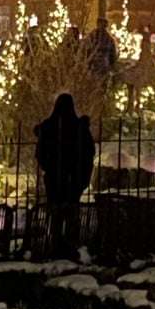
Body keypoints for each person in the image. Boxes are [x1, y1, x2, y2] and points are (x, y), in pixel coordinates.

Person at [34, 91, 96, 257]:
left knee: (56, 212)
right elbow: (89, 153)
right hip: (73, 177)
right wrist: (82, 175)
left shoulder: (49, 128)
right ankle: (70, 244)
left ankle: (55, 243)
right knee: (71, 212)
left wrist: (50, 167)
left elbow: (40, 153)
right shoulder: (79, 129)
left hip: (55, 176)